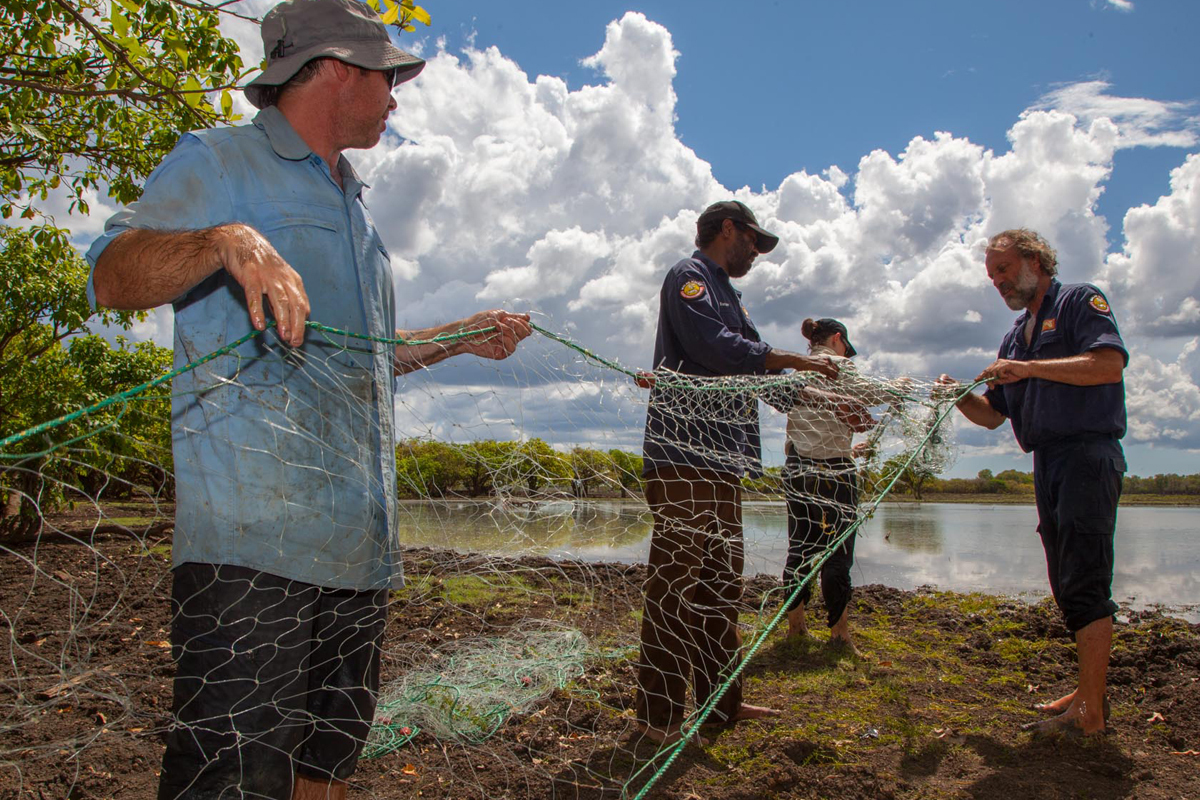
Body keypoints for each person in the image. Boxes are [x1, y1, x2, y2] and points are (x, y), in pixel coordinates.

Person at [86, 0, 532, 796]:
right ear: (332, 68)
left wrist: (463, 335)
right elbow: (112, 274)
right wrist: (226, 241)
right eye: (387, 75)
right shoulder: (220, 162)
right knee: (232, 776)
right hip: (254, 548)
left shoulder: (359, 214)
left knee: (327, 764)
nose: (397, 95)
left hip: (358, 550)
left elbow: (365, 361)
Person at [635, 200, 862, 746]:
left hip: (723, 462)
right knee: (675, 585)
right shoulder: (689, 278)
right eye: (754, 244)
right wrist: (795, 360)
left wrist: (811, 392)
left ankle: (722, 706)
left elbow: (751, 374)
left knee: (718, 586)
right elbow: (713, 348)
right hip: (683, 458)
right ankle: (658, 717)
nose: (757, 255)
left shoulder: (729, 294)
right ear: (728, 230)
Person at [937, 228, 1127, 738]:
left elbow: (1108, 366)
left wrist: (1026, 368)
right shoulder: (1013, 336)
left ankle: (1090, 712)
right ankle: (1090, 691)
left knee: (1086, 579)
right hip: (1047, 461)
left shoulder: (1079, 301)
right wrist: (956, 395)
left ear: (1035, 260)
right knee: (1065, 581)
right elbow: (993, 417)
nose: (997, 282)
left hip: (1089, 454)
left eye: (1003, 270)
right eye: (992, 275)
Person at [779, 317, 903, 657]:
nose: (847, 353)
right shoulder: (840, 366)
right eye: (846, 347)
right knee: (837, 553)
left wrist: (851, 448)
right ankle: (839, 633)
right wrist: (902, 385)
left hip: (798, 469)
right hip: (836, 472)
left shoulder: (800, 372)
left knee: (800, 548)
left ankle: (796, 627)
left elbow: (811, 426)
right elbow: (874, 394)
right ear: (838, 339)